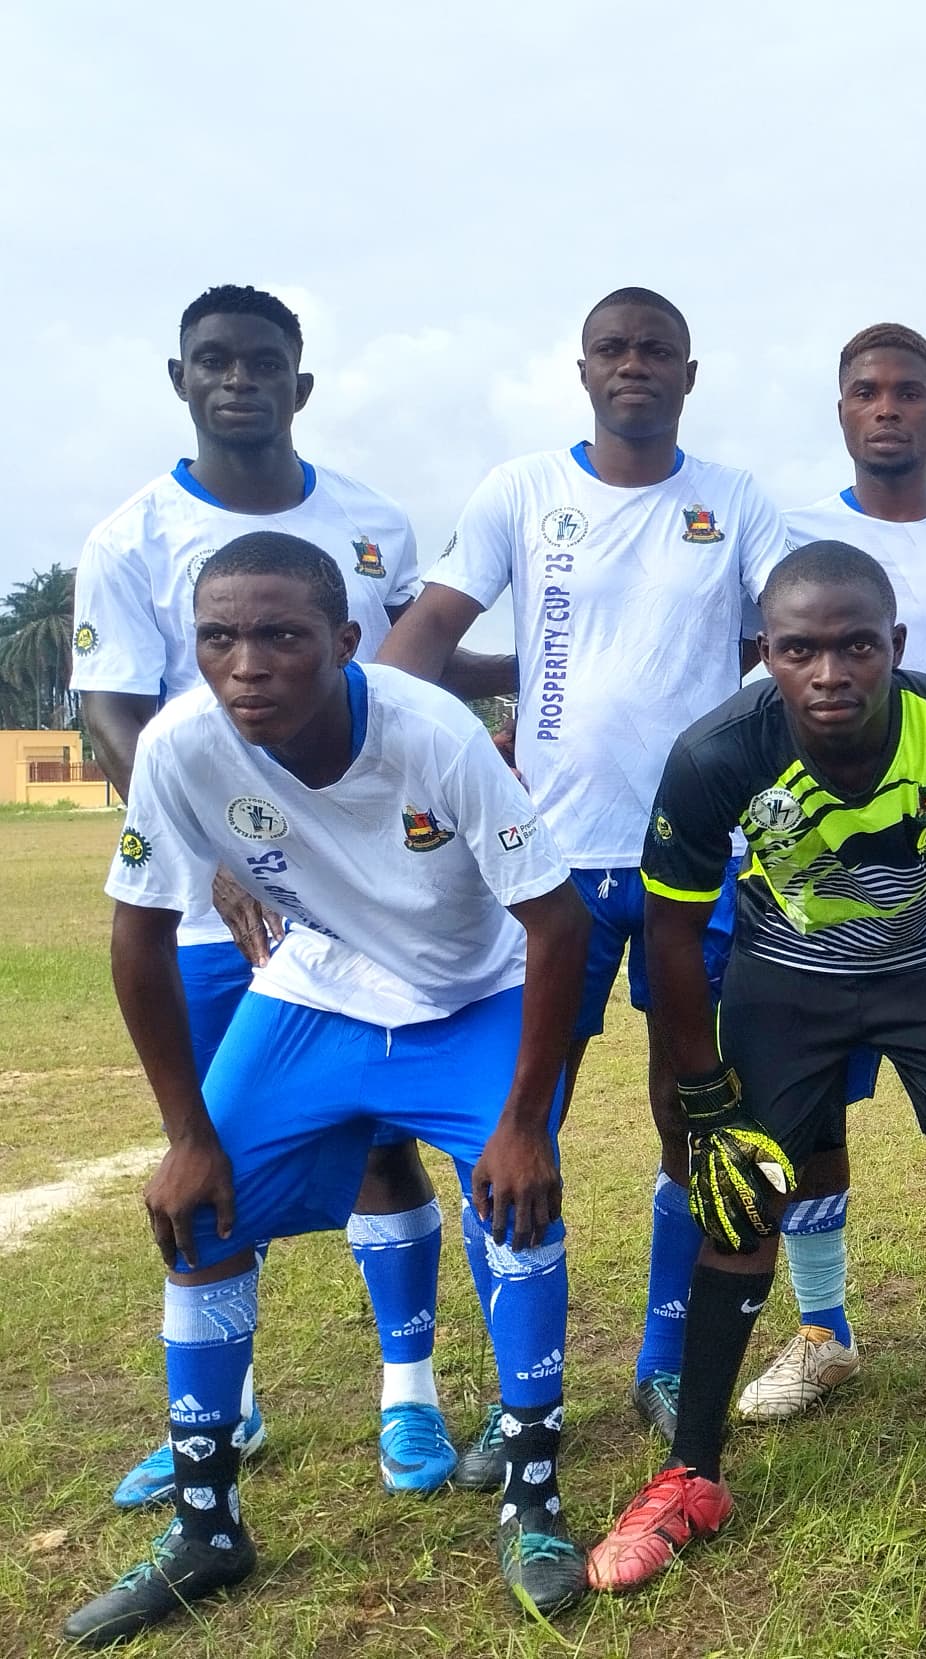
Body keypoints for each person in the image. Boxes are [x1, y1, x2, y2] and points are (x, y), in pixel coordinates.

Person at [63, 535, 593, 1645]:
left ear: (344, 643)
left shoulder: (429, 732)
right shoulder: (181, 745)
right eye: (219, 638)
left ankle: (532, 1497)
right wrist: (184, 1132)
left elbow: (555, 923)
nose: (247, 664)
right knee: (194, 1216)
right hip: (317, 992)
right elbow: (138, 934)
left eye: (281, 636)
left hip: (468, 994)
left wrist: (522, 1124)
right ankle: (208, 1527)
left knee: (515, 1203)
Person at [585, 542, 926, 1592]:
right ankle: (689, 1474)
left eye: (856, 647)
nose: (830, 674)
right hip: (782, 982)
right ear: (766, 655)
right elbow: (669, 932)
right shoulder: (713, 756)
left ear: (898, 646)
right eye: (800, 650)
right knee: (739, 1199)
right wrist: (702, 1099)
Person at [70, 283, 484, 1505]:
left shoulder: (368, 522)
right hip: (208, 911)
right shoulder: (130, 536)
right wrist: (210, 852)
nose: (237, 380)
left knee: (380, 1148)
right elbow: (110, 709)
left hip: (356, 911)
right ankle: (226, 1412)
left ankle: (408, 1400)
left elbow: (419, 670)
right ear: (181, 379)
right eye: (214, 361)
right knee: (212, 1152)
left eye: (262, 362)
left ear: (299, 386)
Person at [381, 286, 782, 1472]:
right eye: (614, 349)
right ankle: (522, 1395)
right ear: (583, 370)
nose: (635, 366)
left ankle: (665, 1361)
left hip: (695, 862)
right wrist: (392, 750)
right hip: (544, 866)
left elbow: (796, 630)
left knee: (689, 1108)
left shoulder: (735, 500)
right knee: (512, 1119)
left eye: (657, 350)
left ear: (690, 374)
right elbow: (422, 637)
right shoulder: (521, 493)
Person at [740, 322, 926, 1425]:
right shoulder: (789, 537)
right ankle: (823, 1331)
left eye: (910, 391)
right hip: (812, 872)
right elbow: (751, 676)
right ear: (843, 410)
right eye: (868, 391)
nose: (889, 408)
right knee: (811, 1119)